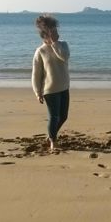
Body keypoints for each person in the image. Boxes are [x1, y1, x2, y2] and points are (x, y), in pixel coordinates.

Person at [32, 15, 70, 150]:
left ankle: (50, 135)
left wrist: (55, 43)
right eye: (53, 32)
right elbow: (36, 74)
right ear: (45, 35)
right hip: (50, 90)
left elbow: (63, 57)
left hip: (64, 87)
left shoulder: (63, 45)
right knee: (54, 116)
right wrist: (38, 92)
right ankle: (53, 141)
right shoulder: (40, 51)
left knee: (63, 116)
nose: (57, 34)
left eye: (56, 31)